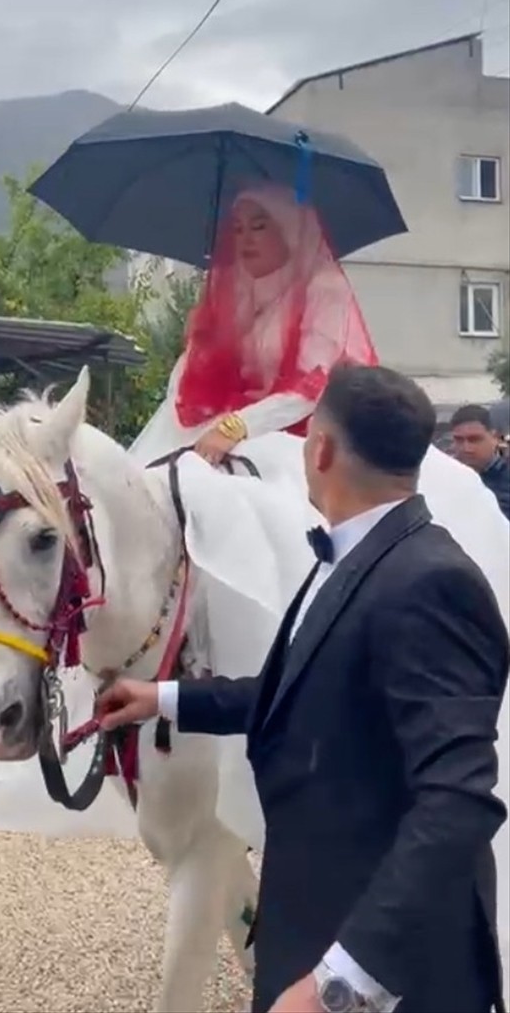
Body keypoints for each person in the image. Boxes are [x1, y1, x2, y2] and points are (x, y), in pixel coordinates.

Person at [99, 366, 510, 1013]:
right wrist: (164, 698)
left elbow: (455, 801)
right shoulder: (356, 556)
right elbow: (304, 690)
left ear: (318, 450)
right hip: (320, 916)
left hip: (397, 967)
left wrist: (343, 985)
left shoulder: (428, 583)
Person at [130, 183, 378, 468]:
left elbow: (312, 385)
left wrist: (236, 427)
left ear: (290, 231)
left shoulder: (323, 289)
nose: (245, 239)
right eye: (237, 229)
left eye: (258, 227)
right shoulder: (235, 290)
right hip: (235, 425)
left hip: (308, 432)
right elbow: (190, 374)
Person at [451, 404, 510, 520]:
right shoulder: (446, 479)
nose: (466, 448)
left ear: (495, 437)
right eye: (459, 440)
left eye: (474, 440)